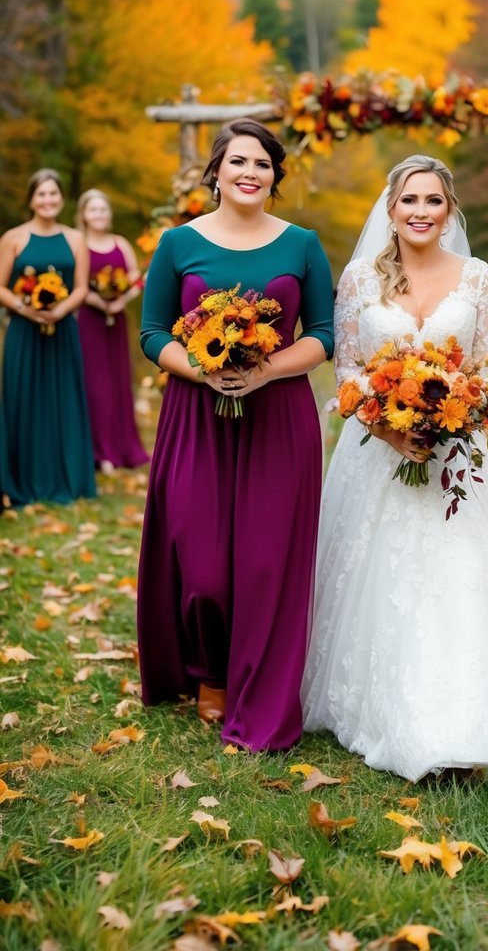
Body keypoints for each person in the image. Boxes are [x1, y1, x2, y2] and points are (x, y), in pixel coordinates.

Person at [302, 155, 488, 782]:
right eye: (409, 201)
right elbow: (346, 372)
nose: (421, 212)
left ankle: (469, 723)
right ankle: (387, 711)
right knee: (378, 579)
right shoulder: (362, 278)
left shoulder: (477, 278)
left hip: (460, 459)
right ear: (390, 210)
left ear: (450, 211)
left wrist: (452, 420)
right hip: (375, 454)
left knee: (464, 576)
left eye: (434, 201)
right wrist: (389, 429)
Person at [138, 118, 334, 750]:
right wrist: (203, 368)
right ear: (215, 171)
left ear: (275, 177)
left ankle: (261, 686)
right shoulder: (177, 243)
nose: (250, 173)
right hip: (196, 419)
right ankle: (207, 670)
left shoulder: (302, 245)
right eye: (238, 161)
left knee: (264, 563)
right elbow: (152, 334)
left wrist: (263, 372)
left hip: (278, 420)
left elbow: (325, 334)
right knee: (202, 567)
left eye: (263, 164)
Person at [0, 169, 96, 505]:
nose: (48, 200)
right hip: (23, 332)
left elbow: (82, 287)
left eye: (53, 193)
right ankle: (20, 478)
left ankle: (65, 477)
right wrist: (27, 310)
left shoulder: (74, 239)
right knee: (22, 399)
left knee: (62, 400)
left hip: (63, 331)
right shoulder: (13, 238)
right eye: (41, 194)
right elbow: (0, 287)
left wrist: (60, 310)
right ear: (31, 199)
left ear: (61, 199)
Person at [77, 189, 150, 472]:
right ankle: (100, 452)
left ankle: (122, 447)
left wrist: (120, 300)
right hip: (89, 322)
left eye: (103, 210)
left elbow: (136, 280)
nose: (99, 215)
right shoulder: (78, 244)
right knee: (96, 387)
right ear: (83, 214)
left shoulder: (120, 243)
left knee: (119, 382)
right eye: (93, 210)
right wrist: (97, 300)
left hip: (115, 322)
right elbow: (76, 284)